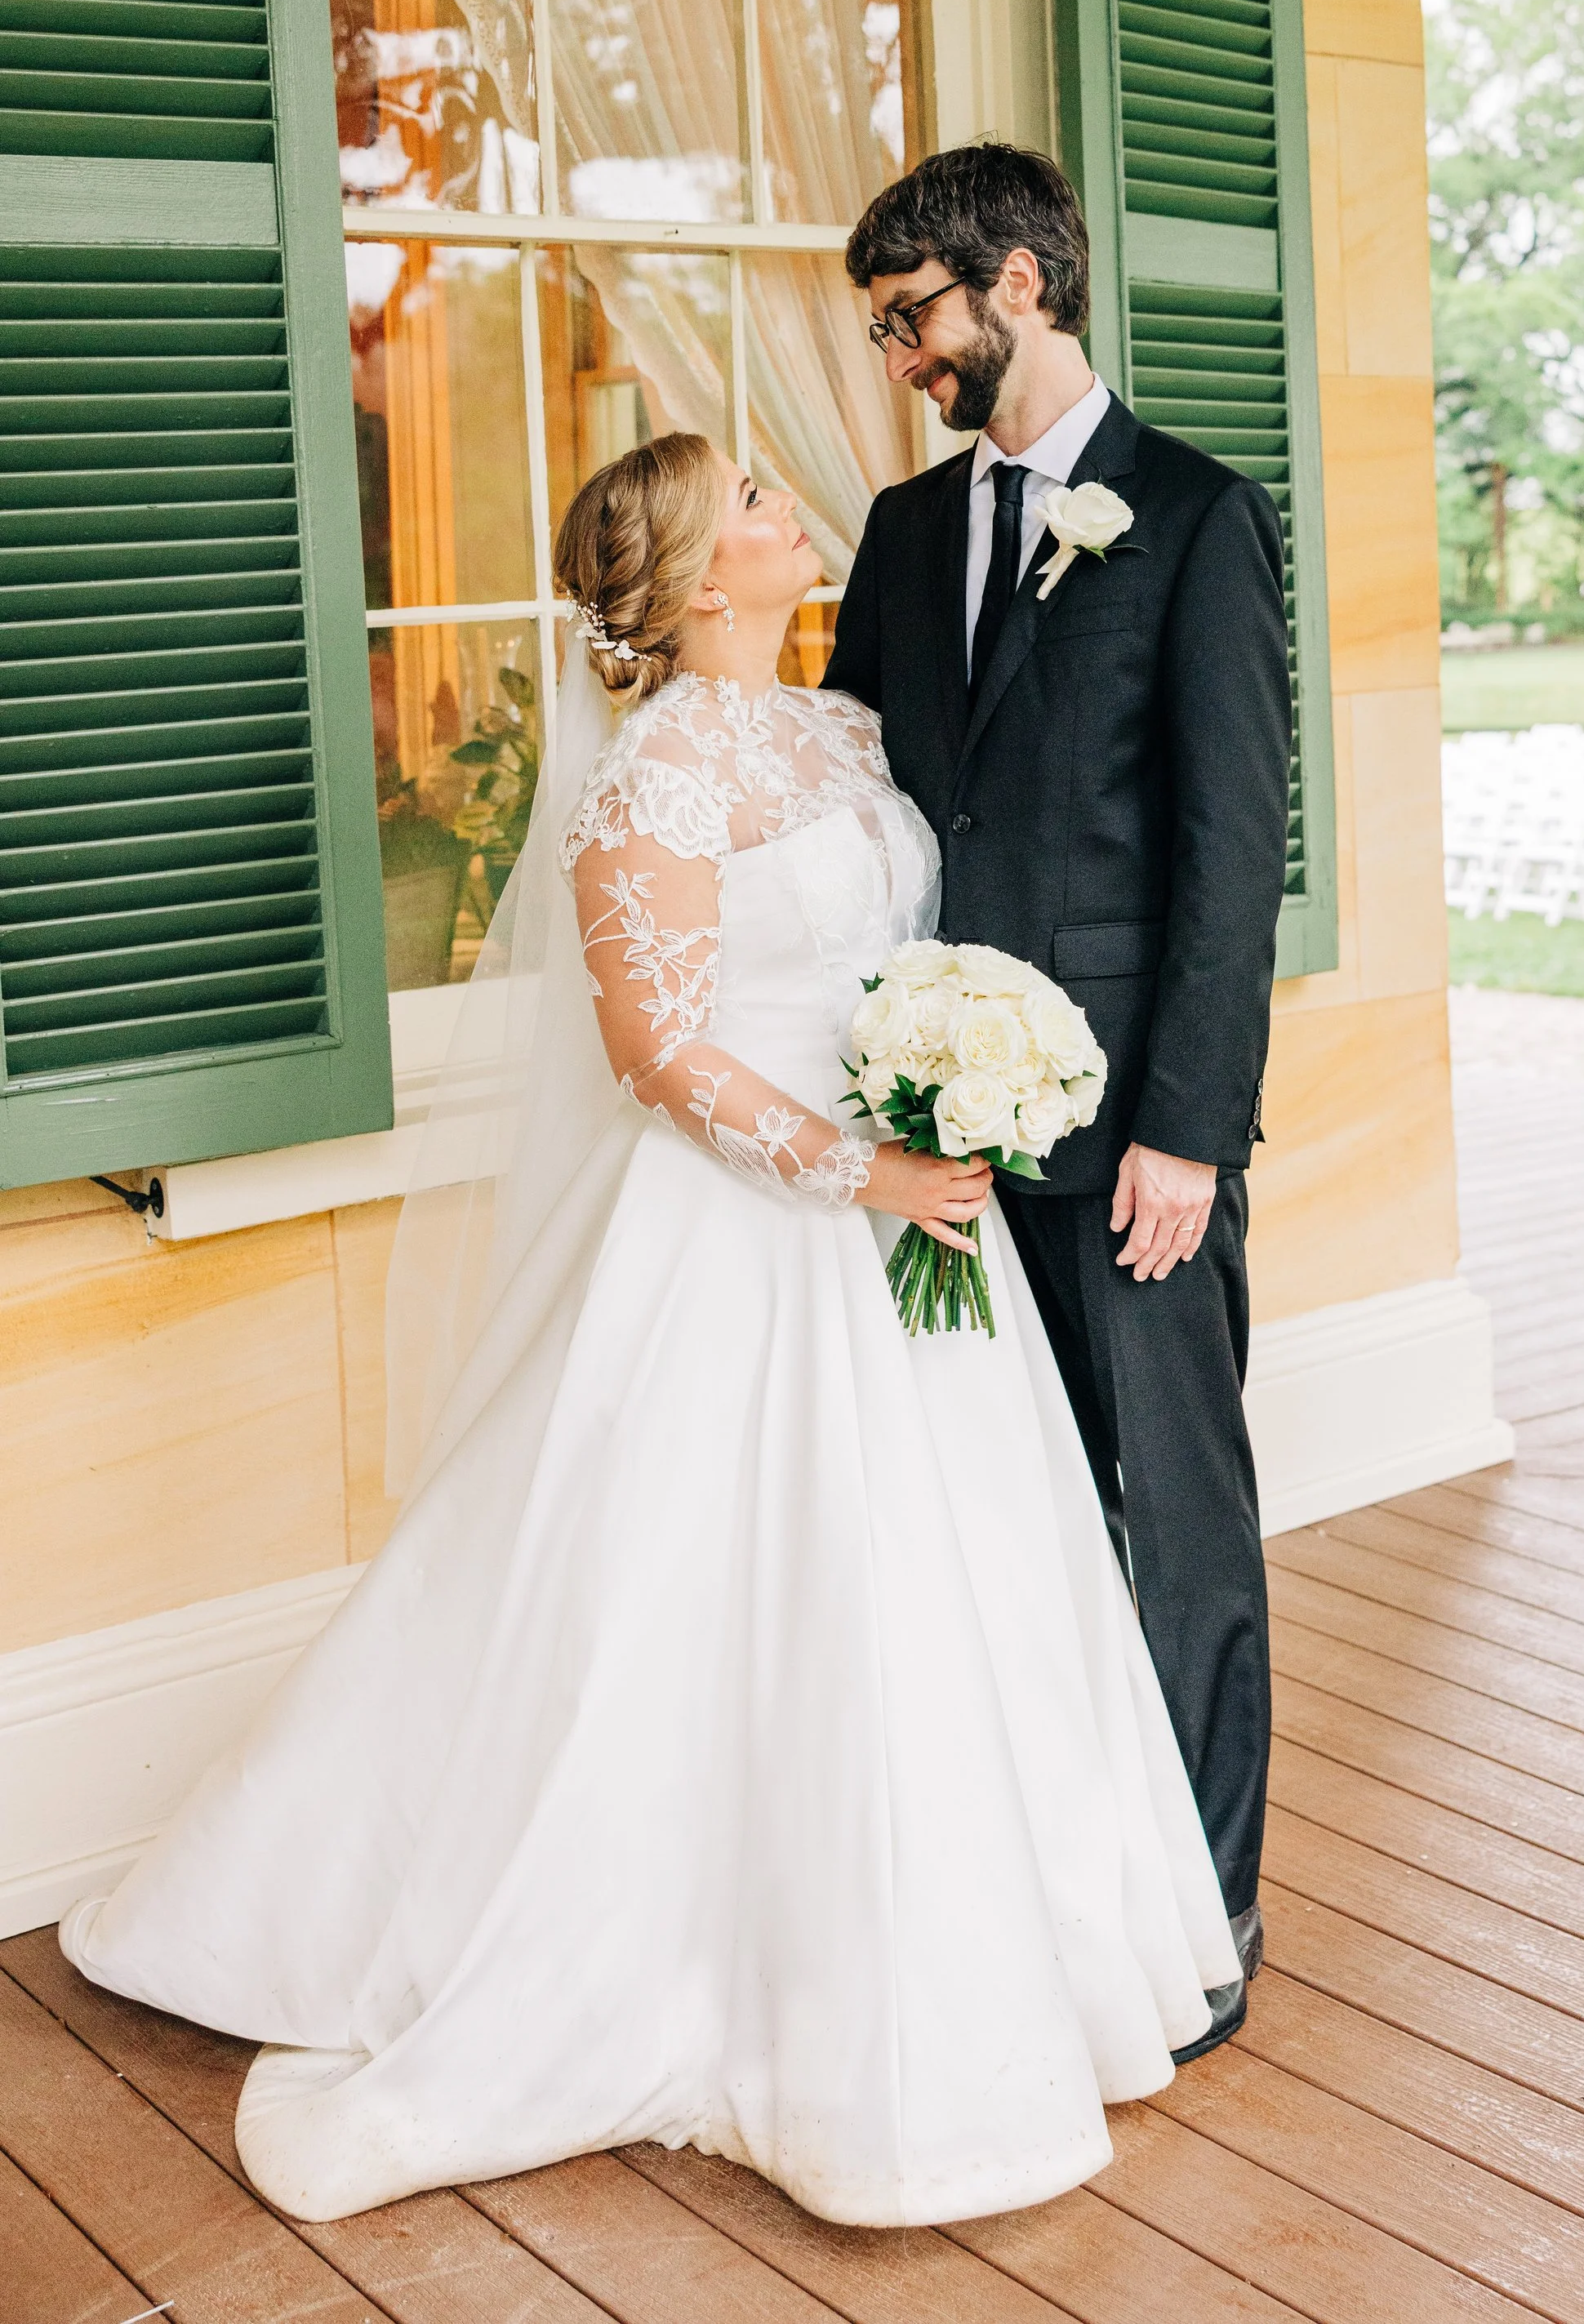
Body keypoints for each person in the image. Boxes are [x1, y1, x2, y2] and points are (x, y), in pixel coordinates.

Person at [60, 432, 1239, 2226]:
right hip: (757, 1227)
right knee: (704, 1591)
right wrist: (855, 1169)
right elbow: (657, 1051)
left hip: (914, 1220)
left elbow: (887, 952)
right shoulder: (655, 773)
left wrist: (953, 1082)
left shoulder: (838, 731)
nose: (787, 511)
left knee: (951, 1584)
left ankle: (1012, 1942)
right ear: (701, 579)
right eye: (753, 503)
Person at [825, 143, 1292, 2054]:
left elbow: (1229, 843)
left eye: (913, 317)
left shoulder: (1189, 517)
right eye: (877, 330)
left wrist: (1187, 1124)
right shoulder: (891, 528)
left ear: (1020, 279)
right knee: (991, 1516)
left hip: (1128, 1146)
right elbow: (862, 812)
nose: (899, 359)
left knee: (1171, 1517)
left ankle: (1202, 1917)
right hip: (942, 1131)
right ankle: (1050, 1882)